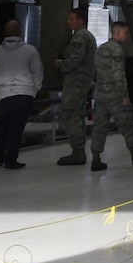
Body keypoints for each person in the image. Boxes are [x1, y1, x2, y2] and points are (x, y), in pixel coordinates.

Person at [90, 21, 133, 171]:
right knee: (127, 124)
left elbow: (94, 72)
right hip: (115, 95)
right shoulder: (117, 50)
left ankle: (96, 158)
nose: (127, 35)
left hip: (100, 94)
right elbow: (118, 74)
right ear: (117, 33)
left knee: (99, 126)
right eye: (125, 32)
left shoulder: (100, 49)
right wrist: (124, 95)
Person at [0, 19, 43, 170]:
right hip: (24, 93)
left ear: (5, 33)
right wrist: (34, 89)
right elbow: (38, 72)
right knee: (16, 128)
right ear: (20, 32)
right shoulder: (30, 50)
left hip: (4, 94)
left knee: (2, 126)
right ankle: (11, 159)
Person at [55, 9, 96, 165]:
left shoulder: (80, 37)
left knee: (71, 115)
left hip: (76, 83)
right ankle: (78, 150)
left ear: (80, 21)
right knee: (77, 116)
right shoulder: (87, 36)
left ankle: (77, 151)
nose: (68, 21)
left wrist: (62, 65)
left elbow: (74, 60)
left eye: (71, 18)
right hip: (82, 82)